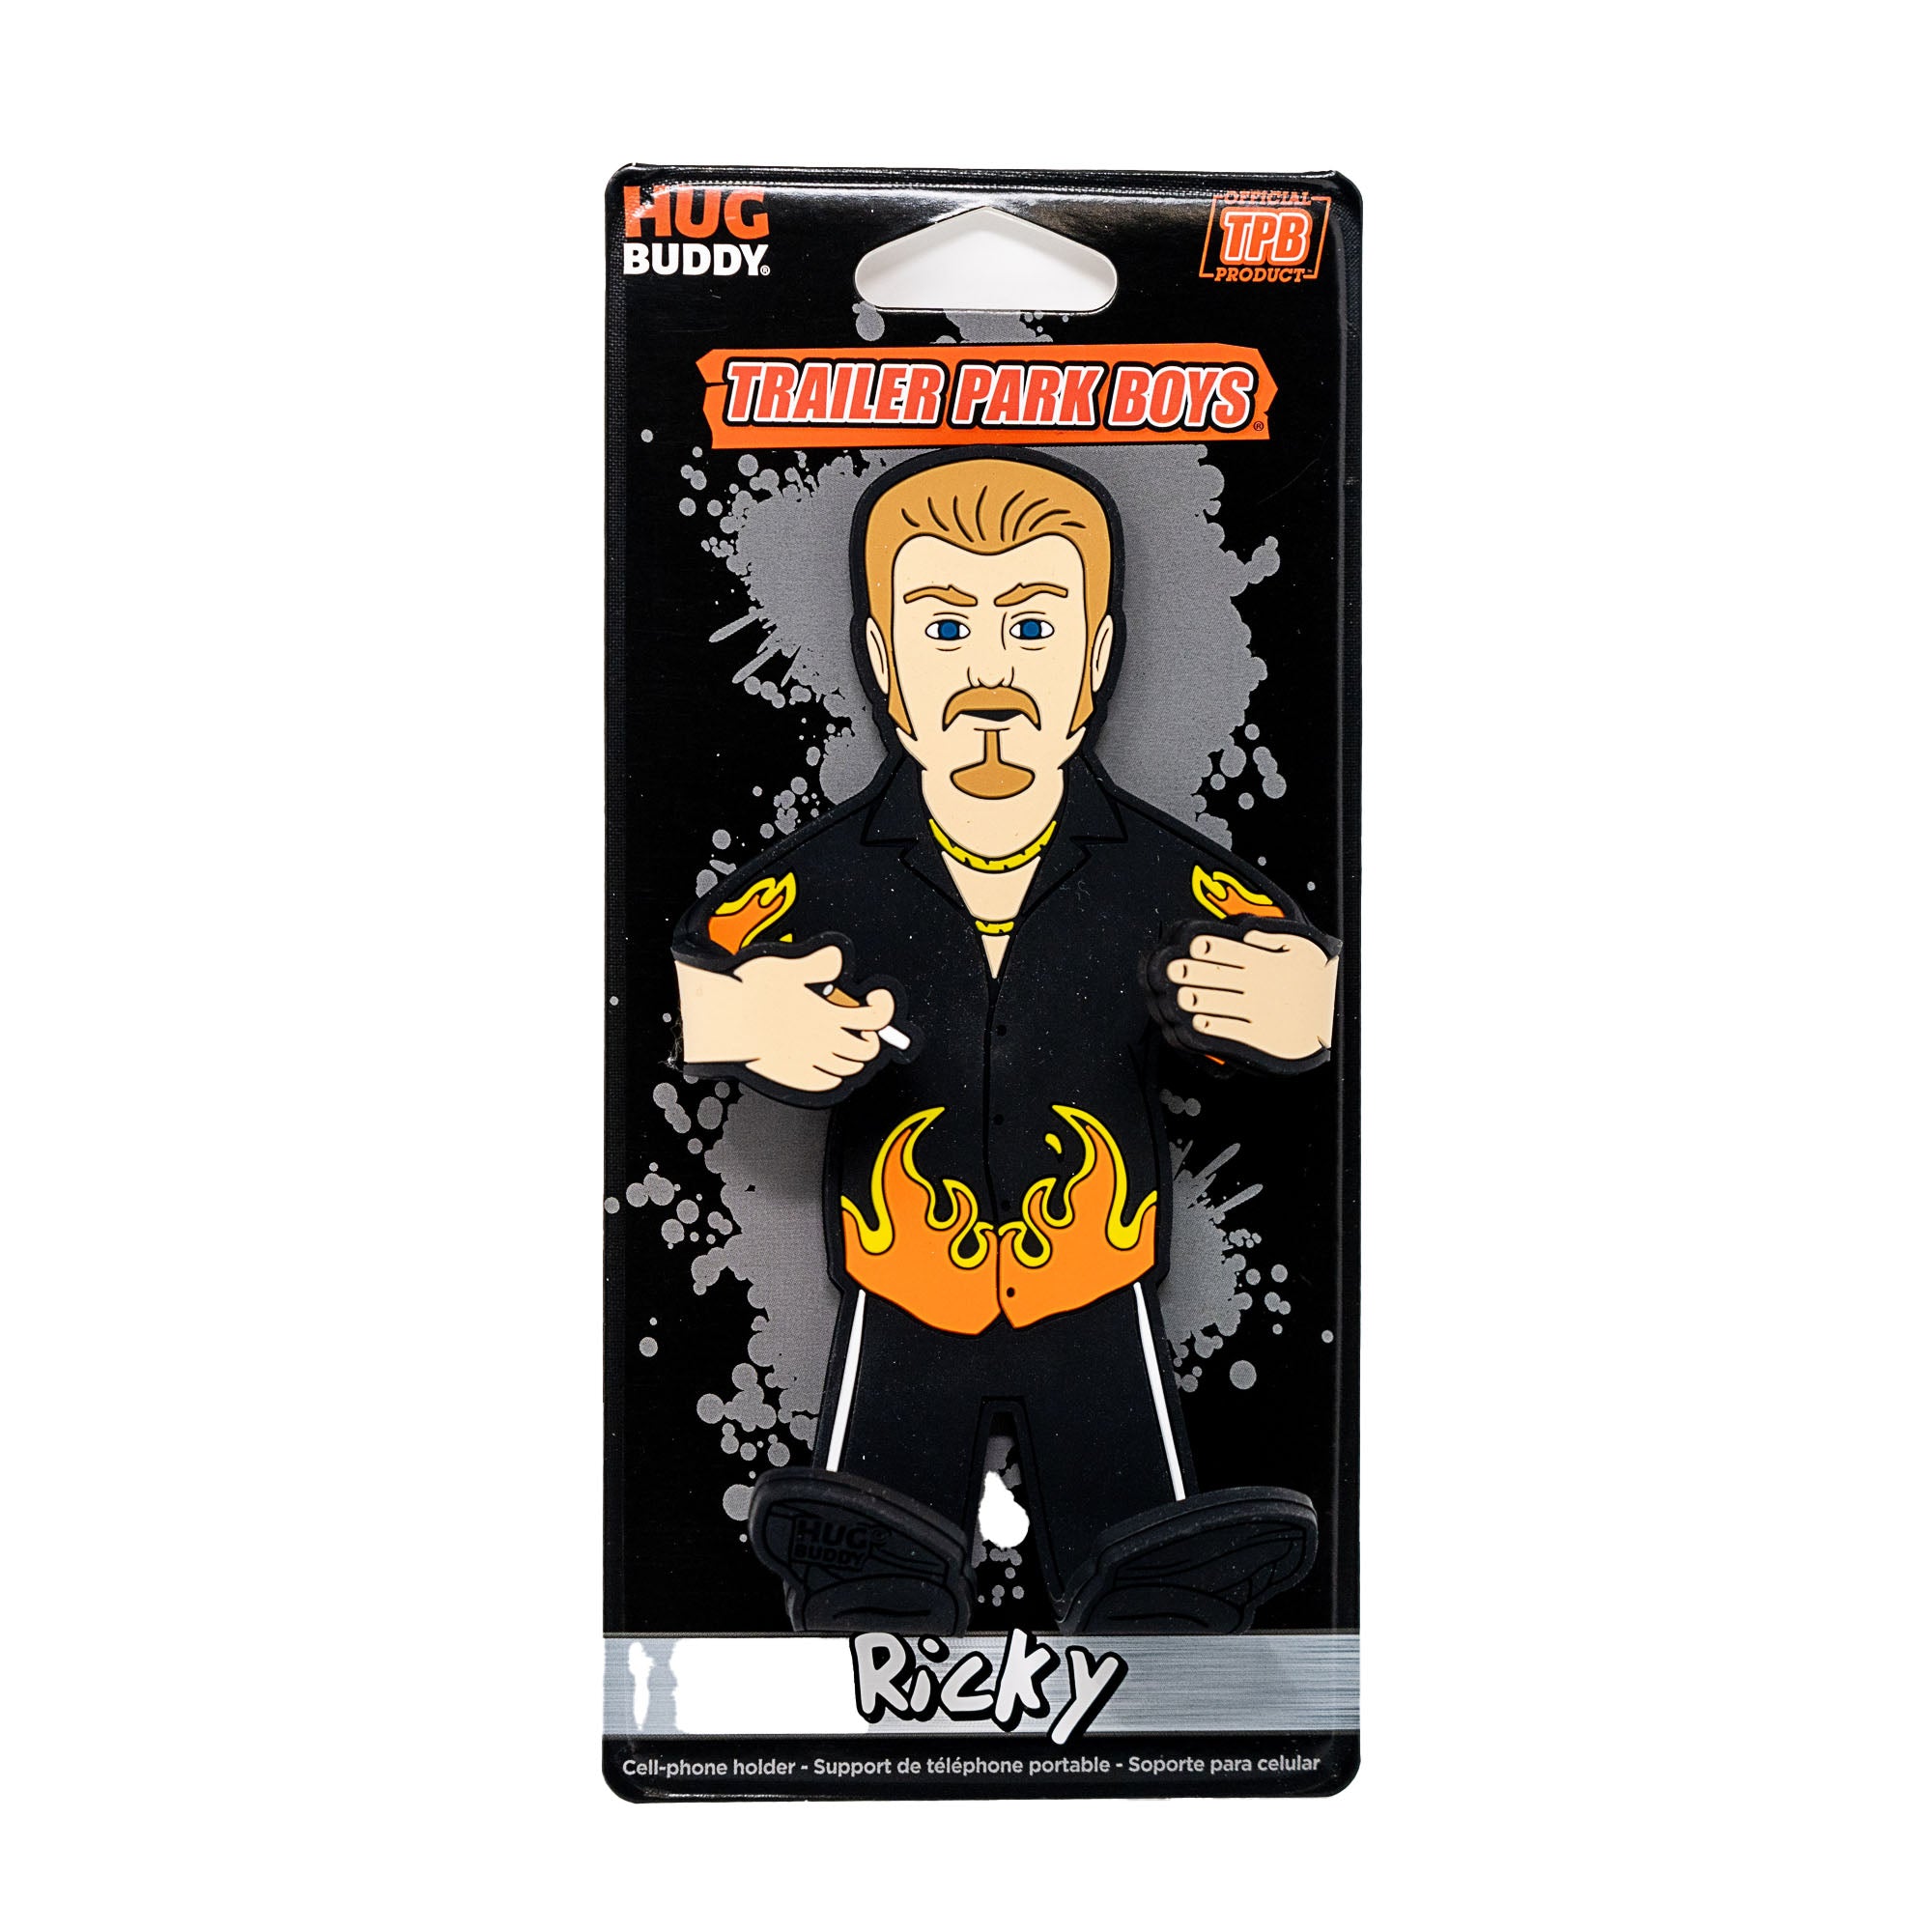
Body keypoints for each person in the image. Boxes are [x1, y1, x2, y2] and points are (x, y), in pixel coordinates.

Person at [673, 451, 1339, 1634]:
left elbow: (1303, 975)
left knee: (1141, 1547)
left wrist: (1305, 1001)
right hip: (901, 1284)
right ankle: (869, 1596)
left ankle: (1159, 1609)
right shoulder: (828, 873)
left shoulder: (1157, 872)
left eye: (1031, 627)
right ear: (882, 659)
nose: (990, 672)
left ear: (1094, 656)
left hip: (1095, 1280)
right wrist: (742, 1016)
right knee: (870, 1545)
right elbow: (695, 971)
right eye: (944, 629)